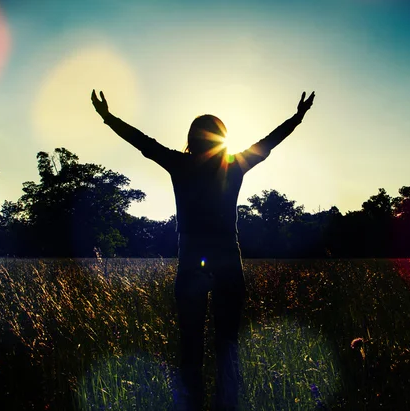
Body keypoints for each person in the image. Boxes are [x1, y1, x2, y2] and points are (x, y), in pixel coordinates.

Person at [91, 89, 315, 410]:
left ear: (192, 139)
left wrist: (108, 117)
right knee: (227, 343)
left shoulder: (180, 163)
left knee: (191, 346)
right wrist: (298, 116)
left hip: (192, 258)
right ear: (221, 138)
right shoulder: (235, 164)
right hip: (226, 256)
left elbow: (142, 142)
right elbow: (269, 143)